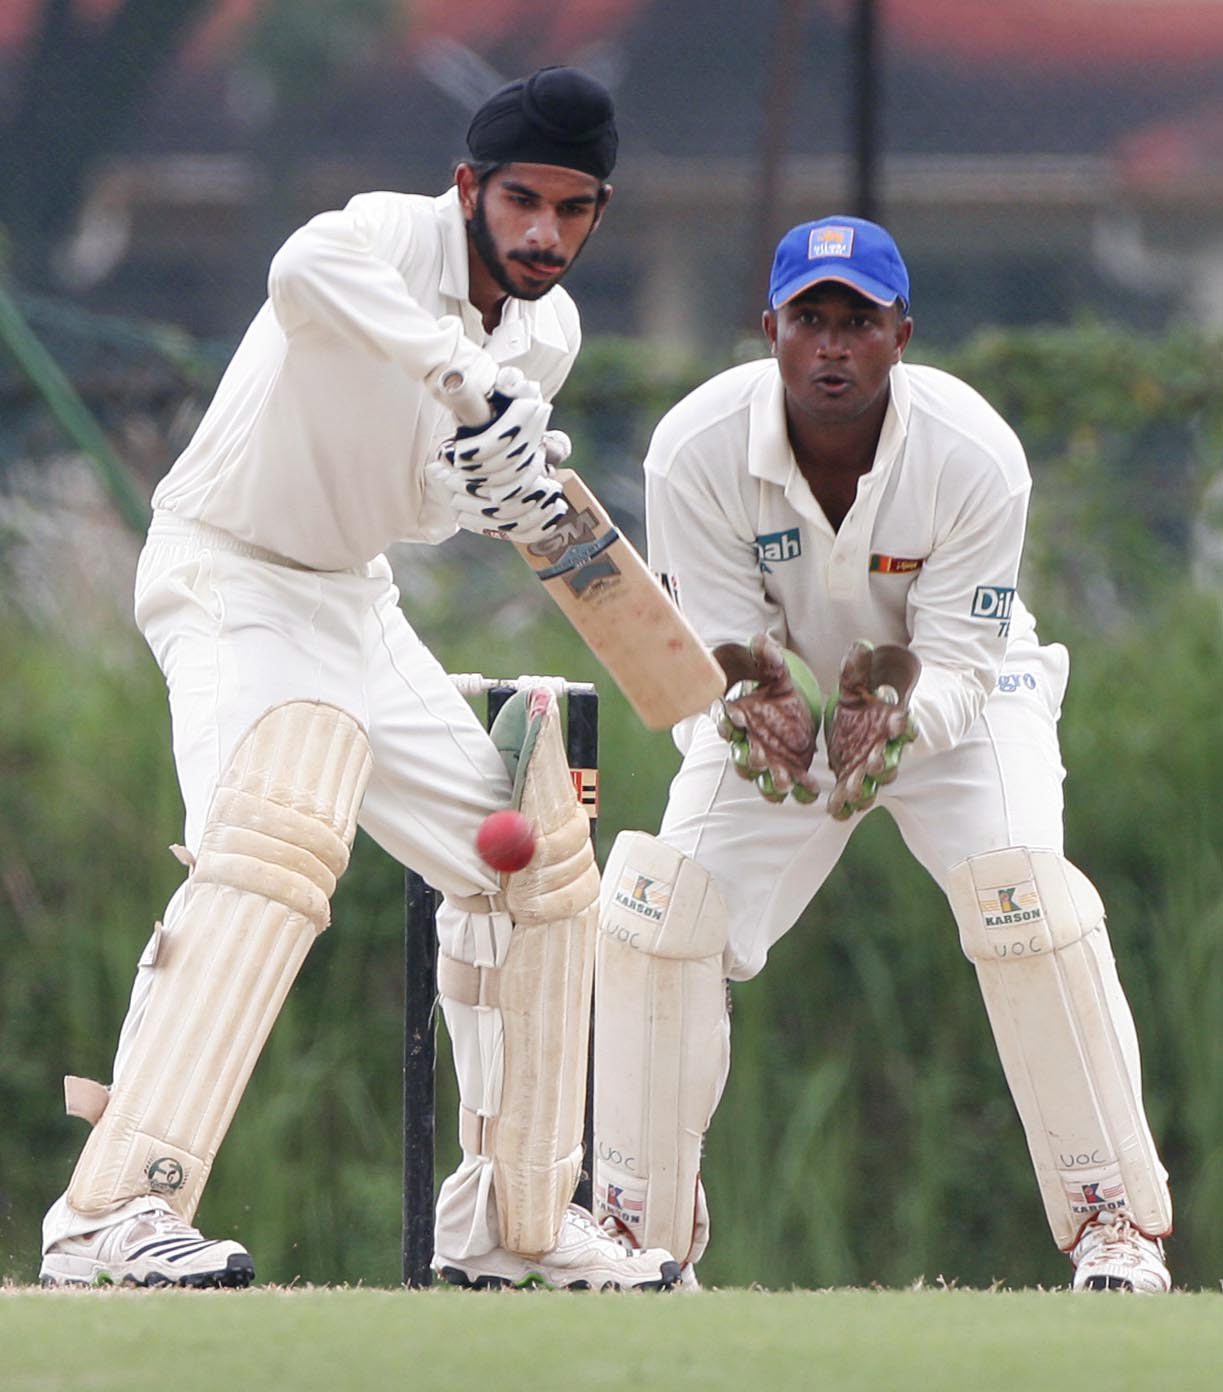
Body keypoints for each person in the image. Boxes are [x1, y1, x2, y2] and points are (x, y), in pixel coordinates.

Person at [39, 66, 681, 1293]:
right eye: (521, 201)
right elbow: (300, 273)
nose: (544, 233)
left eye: (574, 208)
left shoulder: (549, 331)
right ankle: (114, 1211)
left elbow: (429, 495)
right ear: (467, 189)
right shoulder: (383, 235)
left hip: (352, 598)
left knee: (535, 867)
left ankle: (514, 1224)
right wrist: (457, 380)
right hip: (229, 569)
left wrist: (489, 493)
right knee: (278, 823)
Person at [591, 215, 1173, 1293]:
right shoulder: (692, 448)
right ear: (767, 328)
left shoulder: (972, 453)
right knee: (661, 908)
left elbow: (958, 654)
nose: (829, 346)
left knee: (1023, 903)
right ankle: (634, 1233)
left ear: (899, 333)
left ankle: (1113, 1227)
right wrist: (744, 703)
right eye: (808, 319)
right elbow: (704, 649)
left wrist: (895, 713)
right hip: (788, 704)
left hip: (958, 699)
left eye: (854, 321)